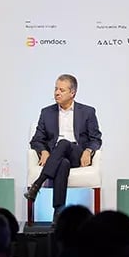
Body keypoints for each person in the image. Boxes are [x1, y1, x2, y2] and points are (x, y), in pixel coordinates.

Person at [24, 74, 102, 221]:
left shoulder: (88, 112)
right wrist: (44, 151)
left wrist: (88, 151)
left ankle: (38, 184)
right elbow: (36, 140)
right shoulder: (46, 112)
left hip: (77, 154)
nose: (56, 93)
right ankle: (58, 213)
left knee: (64, 143)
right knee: (62, 164)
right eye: (55, 89)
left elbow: (96, 138)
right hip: (56, 157)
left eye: (61, 90)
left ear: (72, 93)